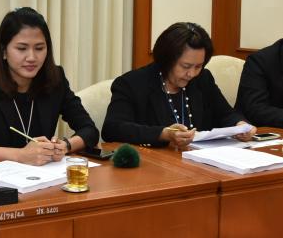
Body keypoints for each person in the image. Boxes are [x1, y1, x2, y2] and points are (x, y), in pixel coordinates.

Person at [0, 7, 99, 165]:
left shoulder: (55, 79)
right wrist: (20, 155)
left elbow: (89, 130)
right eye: (22, 48)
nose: (32, 57)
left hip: (42, 176)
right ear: (4, 50)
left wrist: (65, 146)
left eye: (39, 48)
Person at [102, 22, 255, 148]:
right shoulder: (132, 84)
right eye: (186, 66)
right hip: (155, 165)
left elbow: (226, 114)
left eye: (198, 66)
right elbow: (112, 129)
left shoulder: (203, 79)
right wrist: (164, 134)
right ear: (167, 59)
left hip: (200, 162)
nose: (192, 74)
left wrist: (241, 125)